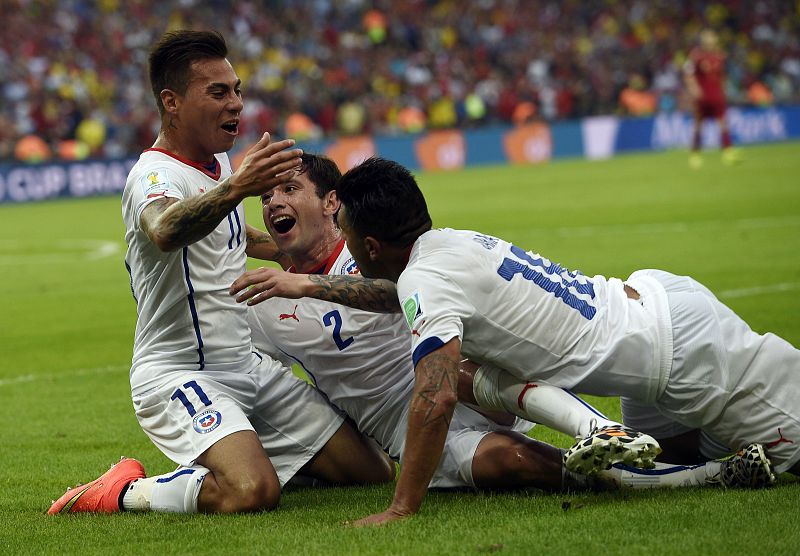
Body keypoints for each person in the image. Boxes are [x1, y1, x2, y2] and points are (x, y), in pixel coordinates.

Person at [234, 156, 793, 525]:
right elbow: (391, 294)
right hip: (654, 311)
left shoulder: (425, 283)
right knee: (669, 458)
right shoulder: (448, 246)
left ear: (368, 240)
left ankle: (638, 438)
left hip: (676, 353)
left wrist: (403, 506)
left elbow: (434, 397)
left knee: (791, 450)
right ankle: (657, 448)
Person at [48, 30, 393, 517]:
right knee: (252, 492)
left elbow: (228, 230)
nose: (236, 103)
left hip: (247, 366)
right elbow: (166, 228)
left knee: (371, 470)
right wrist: (236, 187)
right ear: (172, 101)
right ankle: (124, 491)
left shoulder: (215, 163)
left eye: (236, 89)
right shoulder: (154, 176)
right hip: (179, 371)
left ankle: (242, 450)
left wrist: (287, 251)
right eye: (218, 92)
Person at [683, 29, 742, 168]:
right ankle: (695, 154)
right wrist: (694, 89)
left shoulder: (720, 55)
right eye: (707, 37)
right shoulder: (696, 56)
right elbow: (688, 74)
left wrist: (723, 90)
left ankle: (728, 153)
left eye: (712, 36)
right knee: (698, 125)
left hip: (716, 95)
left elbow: (723, 76)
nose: (709, 39)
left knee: (723, 123)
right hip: (702, 97)